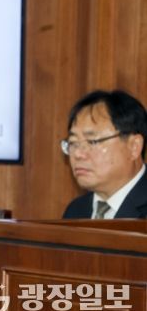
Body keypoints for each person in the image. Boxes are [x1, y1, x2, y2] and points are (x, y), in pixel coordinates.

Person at [62, 89, 147, 219]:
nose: (78, 154)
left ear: (134, 146)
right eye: (73, 142)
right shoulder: (76, 210)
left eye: (93, 141)